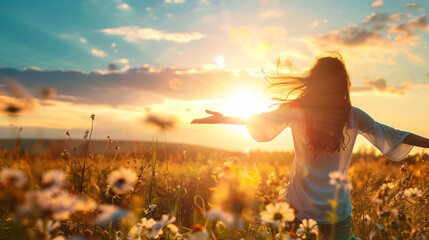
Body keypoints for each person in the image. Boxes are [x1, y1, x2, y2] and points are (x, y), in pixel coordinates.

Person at [191, 53, 429, 239]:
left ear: (315, 82)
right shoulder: (353, 115)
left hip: (297, 207)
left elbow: (259, 119)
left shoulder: (299, 111)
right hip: (336, 211)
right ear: (342, 85)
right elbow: (396, 135)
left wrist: (224, 118)